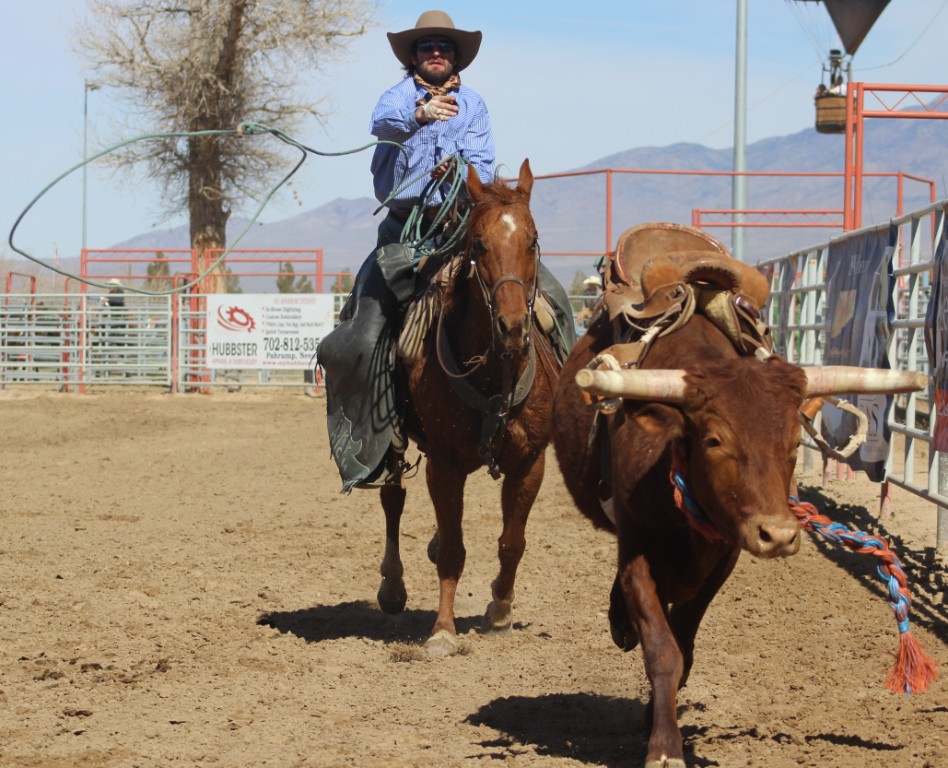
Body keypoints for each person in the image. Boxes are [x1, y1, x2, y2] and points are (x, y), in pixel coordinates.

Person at [317, 11, 576, 492]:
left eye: (444, 46)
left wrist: (459, 174)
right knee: (365, 333)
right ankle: (379, 441)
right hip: (405, 232)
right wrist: (420, 115)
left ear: (456, 56)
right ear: (413, 56)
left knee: (552, 301)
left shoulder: (473, 105)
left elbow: (480, 160)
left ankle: (565, 413)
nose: (436, 52)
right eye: (426, 46)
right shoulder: (398, 98)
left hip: (461, 225)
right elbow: (381, 123)